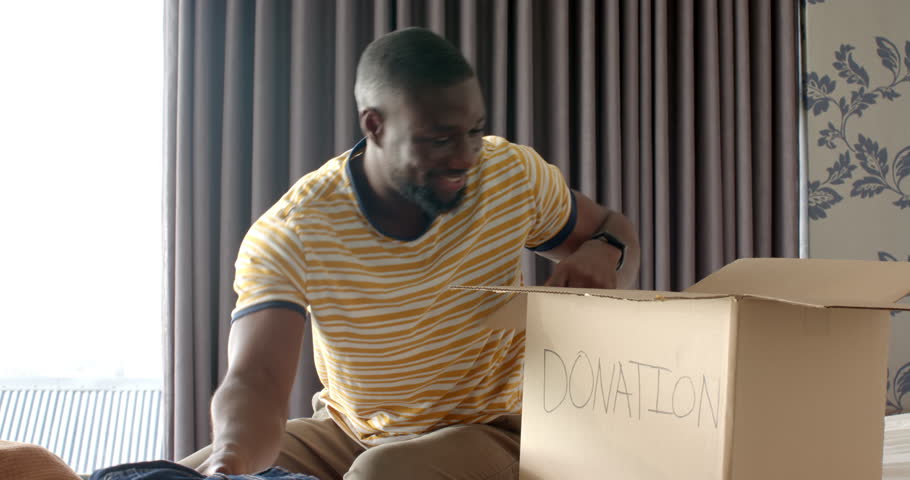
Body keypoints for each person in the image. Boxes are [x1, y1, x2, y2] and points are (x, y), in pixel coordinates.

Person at [180, 27, 640, 480]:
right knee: (180, 474)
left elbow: (614, 229)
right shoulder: (296, 230)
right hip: (351, 431)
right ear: (374, 126)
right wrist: (230, 460)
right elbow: (257, 378)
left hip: (496, 426)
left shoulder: (510, 175)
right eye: (439, 139)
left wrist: (606, 251)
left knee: (381, 473)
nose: (465, 157)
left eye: (474, 131)